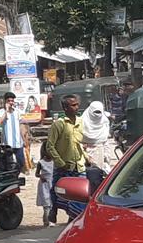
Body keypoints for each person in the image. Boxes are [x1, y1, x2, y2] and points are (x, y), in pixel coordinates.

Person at [46, 94, 86, 223]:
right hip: (64, 166)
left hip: (79, 165)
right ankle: (54, 210)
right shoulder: (59, 125)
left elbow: (79, 144)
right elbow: (50, 146)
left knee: (80, 195)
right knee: (57, 191)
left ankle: (73, 218)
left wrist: (86, 157)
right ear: (65, 108)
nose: (76, 107)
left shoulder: (81, 122)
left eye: (77, 104)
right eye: (73, 105)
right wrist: (60, 162)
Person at [0, 92, 26, 172]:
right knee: (7, 164)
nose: (11, 103)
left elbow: (21, 126)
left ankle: (17, 174)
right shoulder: (1, 112)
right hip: (7, 143)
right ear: (5, 101)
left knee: (21, 162)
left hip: (18, 142)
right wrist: (6, 110)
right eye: (9, 101)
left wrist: (24, 140)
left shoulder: (17, 112)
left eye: (12, 101)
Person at [81, 101, 112, 173]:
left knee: (97, 174)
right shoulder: (82, 121)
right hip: (85, 151)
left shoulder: (104, 122)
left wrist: (106, 158)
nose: (97, 114)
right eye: (95, 112)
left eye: (99, 112)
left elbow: (105, 142)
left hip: (99, 151)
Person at [36, 144, 55, 227]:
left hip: (52, 183)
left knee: (52, 203)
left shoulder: (54, 161)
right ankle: (46, 221)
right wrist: (41, 176)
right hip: (44, 185)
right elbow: (36, 173)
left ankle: (50, 220)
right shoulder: (41, 163)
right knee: (46, 204)